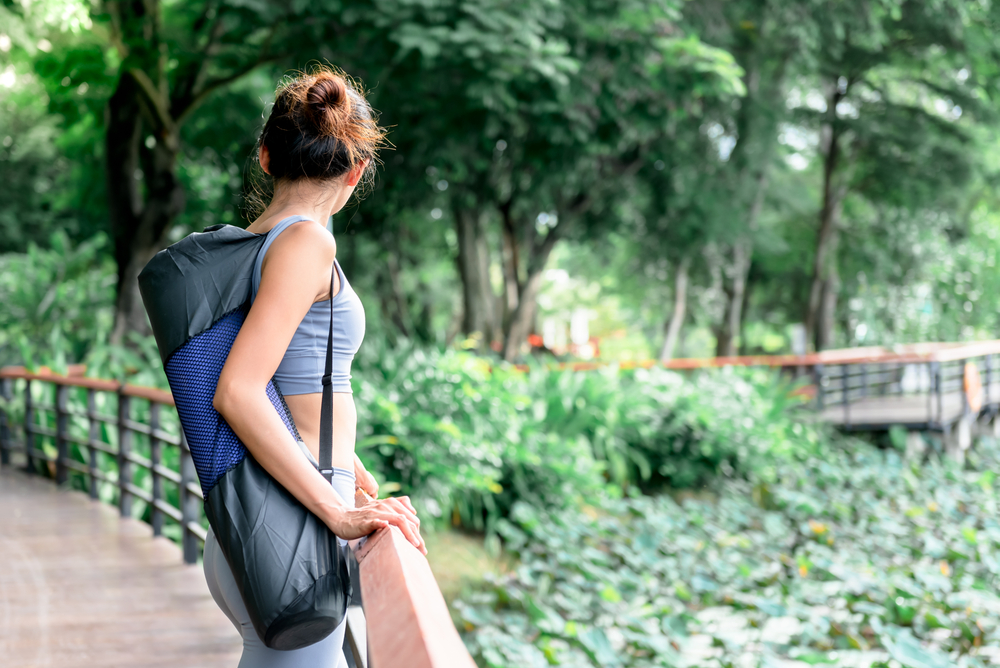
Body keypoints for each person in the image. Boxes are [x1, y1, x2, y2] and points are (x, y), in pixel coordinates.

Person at [203, 66, 426, 668]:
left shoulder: (253, 242)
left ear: (266, 156)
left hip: (260, 514)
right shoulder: (307, 244)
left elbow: (289, 379)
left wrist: (351, 467)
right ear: (356, 170)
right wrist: (339, 511)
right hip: (295, 521)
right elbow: (240, 391)